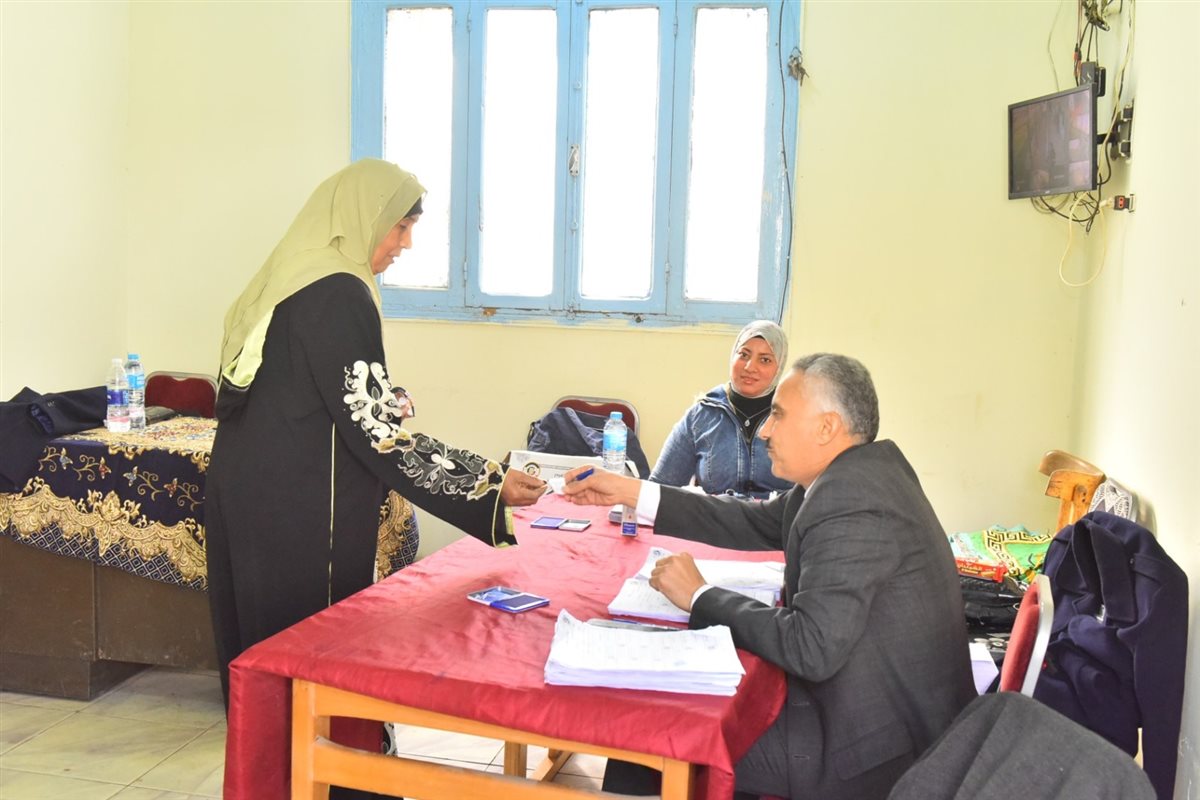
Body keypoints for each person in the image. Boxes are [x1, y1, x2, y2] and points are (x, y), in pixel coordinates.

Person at [206, 159, 545, 708]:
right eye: (400, 227)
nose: (405, 244)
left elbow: (303, 389)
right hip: (303, 509)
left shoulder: (290, 275)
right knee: (310, 656)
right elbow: (379, 436)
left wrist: (383, 400)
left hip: (251, 492)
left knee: (260, 650)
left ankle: (264, 757)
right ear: (362, 219)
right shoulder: (339, 292)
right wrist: (488, 482)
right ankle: (319, 763)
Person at [565, 354, 975, 800]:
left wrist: (700, 595)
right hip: (865, 712)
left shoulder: (852, 502)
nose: (764, 430)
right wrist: (631, 491)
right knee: (687, 705)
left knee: (646, 738)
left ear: (826, 427)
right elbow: (749, 520)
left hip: (869, 750)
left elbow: (810, 647)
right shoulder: (854, 475)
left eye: (778, 415)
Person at [650, 320, 793, 498]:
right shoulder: (701, 414)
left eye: (765, 360)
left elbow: (814, 491)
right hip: (715, 515)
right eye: (744, 355)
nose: (750, 367)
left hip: (779, 515)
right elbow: (660, 487)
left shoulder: (794, 415)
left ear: (779, 366)